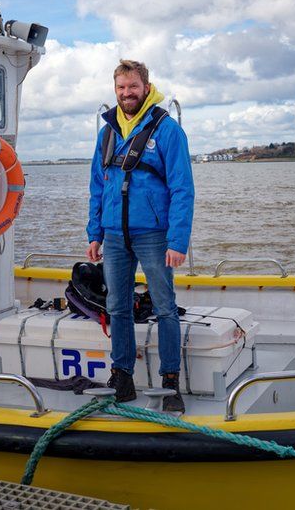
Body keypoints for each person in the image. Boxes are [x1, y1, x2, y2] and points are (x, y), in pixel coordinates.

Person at [86, 59, 195, 412]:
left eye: (132, 87)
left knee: (165, 308)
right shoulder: (107, 132)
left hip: (154, 235)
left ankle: (170, 382)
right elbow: (97, 187)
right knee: (117, 307)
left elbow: (183, 189)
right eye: (120, 87)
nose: (126, 93)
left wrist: (178, 241)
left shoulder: (167, 130)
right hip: (115, 236)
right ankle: (122, 377)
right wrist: (95, 233)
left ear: (146, 88)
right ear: (114, 90)